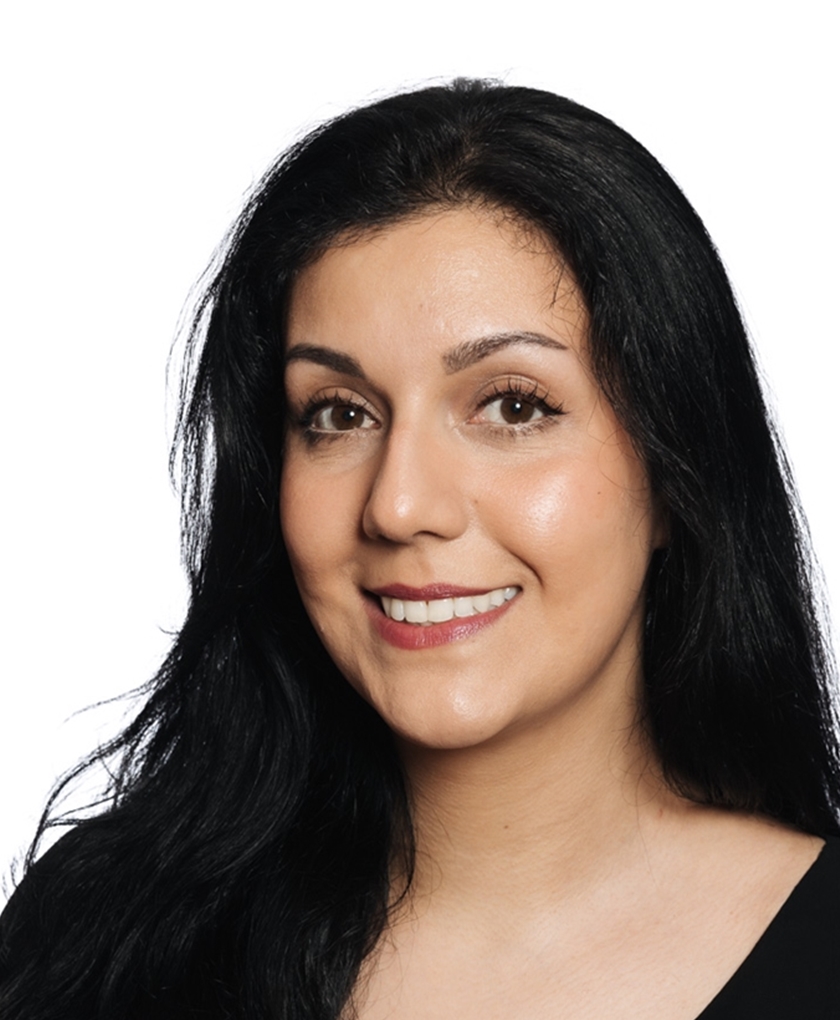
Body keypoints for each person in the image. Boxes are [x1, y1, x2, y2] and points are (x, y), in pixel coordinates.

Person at [1, 78, 838, 1020]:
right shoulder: (100, 945)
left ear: (676, 471)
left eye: (512, 406)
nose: (398, 506)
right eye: (339, 414)